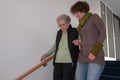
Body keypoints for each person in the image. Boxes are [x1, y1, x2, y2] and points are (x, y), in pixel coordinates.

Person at [70, 1, 106, 80]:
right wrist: (79, 42)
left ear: (83, 9)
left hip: (95, 56)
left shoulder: (94, 17)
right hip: (82, 56)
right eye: (75, 13)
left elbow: (103, 34)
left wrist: (94, 52)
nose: (76, 15)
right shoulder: (80, 25)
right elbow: (87, 39)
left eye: (77, 12)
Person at [41, 14, 79, 80]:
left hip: (69, 62)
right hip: (57, 61)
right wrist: (46, 54)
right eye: (59, 25)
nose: (61, 27)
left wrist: (79, 41)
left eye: (63, 24)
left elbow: (83, 41)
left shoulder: (75, 31)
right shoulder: (59, 32)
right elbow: (56, 45)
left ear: (68, 23)